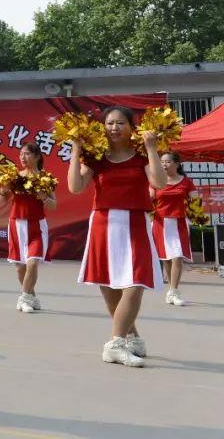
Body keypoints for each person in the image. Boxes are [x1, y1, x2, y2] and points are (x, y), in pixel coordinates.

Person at [68, 105, 165, 368]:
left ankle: (115, 343)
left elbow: (159, 183)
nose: (114, 127)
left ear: (132, 128)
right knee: (109, 286)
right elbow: (75, 187)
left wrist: (153, 148)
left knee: (135, 283)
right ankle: (131, 337)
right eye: (109, 123)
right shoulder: (96, 157)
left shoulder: (142, 156)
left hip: (134, 223)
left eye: (120, 123)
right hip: (103, 222)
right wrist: (76, 151)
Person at [0, 142, 57, 312]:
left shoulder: (46, 178)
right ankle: (32, 297)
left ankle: (23, 298)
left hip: (37, 225)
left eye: (27, 154)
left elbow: (53, 205)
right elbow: (0, 200)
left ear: (37, 156)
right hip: (17, 224)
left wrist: (44, 196)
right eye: (21, 154)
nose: (23, 157)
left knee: (33, 262)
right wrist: (4, 189)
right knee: (21, 267)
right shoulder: (14, 177)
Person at [153, 151, 198, 307]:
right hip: (161, 223)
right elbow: (149, 199)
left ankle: (174, 291)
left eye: (167, 162)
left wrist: (196, 209)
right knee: (166, 258)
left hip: (179, 223)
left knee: (177, 256)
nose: (164, 165)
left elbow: (195, 200)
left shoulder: (186, 182)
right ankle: (171, 292)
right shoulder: (156, 181)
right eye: (162, 162)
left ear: (177, 164)